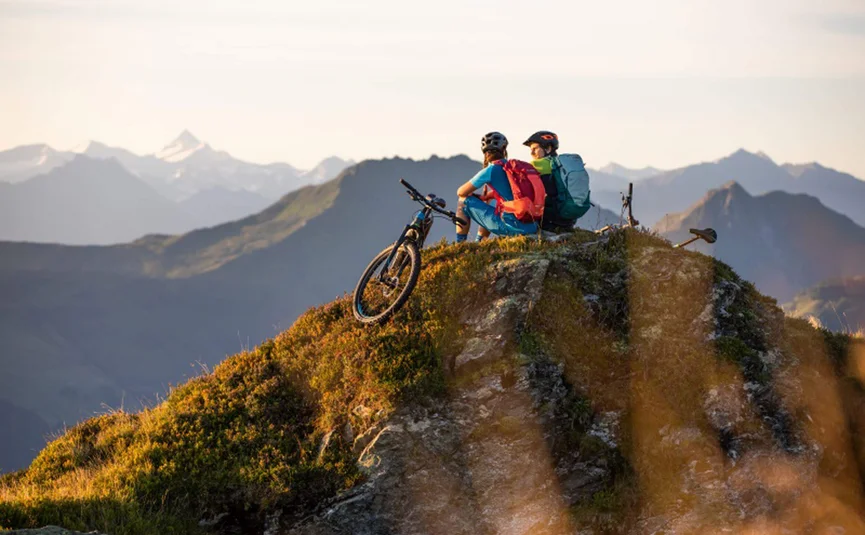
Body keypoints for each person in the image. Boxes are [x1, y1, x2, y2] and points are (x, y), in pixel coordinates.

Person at [454, 132, 538, 243]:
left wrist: (472, 195)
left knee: (463, 202)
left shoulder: (491, 169)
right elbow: (513, 192)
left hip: (512, 228)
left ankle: (461, 243)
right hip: (532, 226)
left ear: (485, 152)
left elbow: (461, 192)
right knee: (491, 202)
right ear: (504, 150)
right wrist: (486, 197)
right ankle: (479, 242)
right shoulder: (512, 168)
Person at [523, 130, 576, 233]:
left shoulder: (537, 164)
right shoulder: (561, 164)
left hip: (549, 219)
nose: (531, 153)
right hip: (568, 219)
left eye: (535, 148)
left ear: (548, 148)